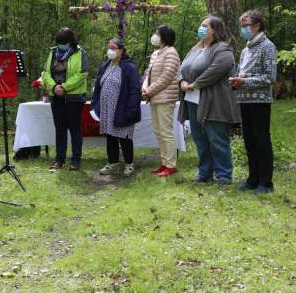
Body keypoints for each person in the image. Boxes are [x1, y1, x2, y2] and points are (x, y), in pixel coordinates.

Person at [178, 16, 240, 186]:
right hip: (192, 100)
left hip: (214, 101)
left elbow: (218, 68)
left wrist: (195, 84)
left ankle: (224, 176)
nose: (201, 28)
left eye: (205, 26)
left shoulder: (223, 48)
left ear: (214, 30)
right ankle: (205, 172)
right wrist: (182, 82)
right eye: (201, 25)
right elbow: (182, 68)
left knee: (217, 138)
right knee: (200, 138)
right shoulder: (196, 48)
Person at [229, 9, 277, 194]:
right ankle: (252, 178)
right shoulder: (245, 50)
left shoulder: (268, 46)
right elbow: (243, 72)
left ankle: (266, 182)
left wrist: (245, 81)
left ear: (257, 26)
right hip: (244, 100)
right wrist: (237, 81)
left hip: (260, 101)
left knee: (261, 140)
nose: (243, 29)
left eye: (246, 26)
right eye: (242, 26)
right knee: (249, 141)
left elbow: (270, 77)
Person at [91, 38, 141, 176]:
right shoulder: (105, 66)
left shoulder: (128, 67)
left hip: (122, 108)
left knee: (124, 137)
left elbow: (135, 89)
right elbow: (98, 87)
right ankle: (112, 163)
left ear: (121, 51)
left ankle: (129, 164)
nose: (110, 51)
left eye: (113, 48)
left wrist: (131, 109)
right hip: (107, 109)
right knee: (110, 136)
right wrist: (96, 105)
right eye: (109, 48)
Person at [41, 27, 88, 171]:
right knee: (60, 129)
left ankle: (75, 160)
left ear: (70, 41)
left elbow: (82, 73)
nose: (60, 45)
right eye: (58, 42)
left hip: (74, 98)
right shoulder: (53, 52)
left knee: (75, 129)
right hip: (56, 97)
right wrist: (54, 86)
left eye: (63, 43)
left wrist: (65, 87)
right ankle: (59, 160)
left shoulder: (80, 52)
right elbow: (45, 72)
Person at [142, 25, 181, 176]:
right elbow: (148, 74)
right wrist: (145, 88)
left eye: (157, 33)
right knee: (158, 131)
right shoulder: (156, 53)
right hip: (154, 98)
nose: (154, 36)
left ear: (164, 36)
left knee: (166, 132)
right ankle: (164, 163)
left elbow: (166, 77)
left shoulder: (171, 53)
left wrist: (149, 90)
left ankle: (171, 165)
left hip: (165, 98)